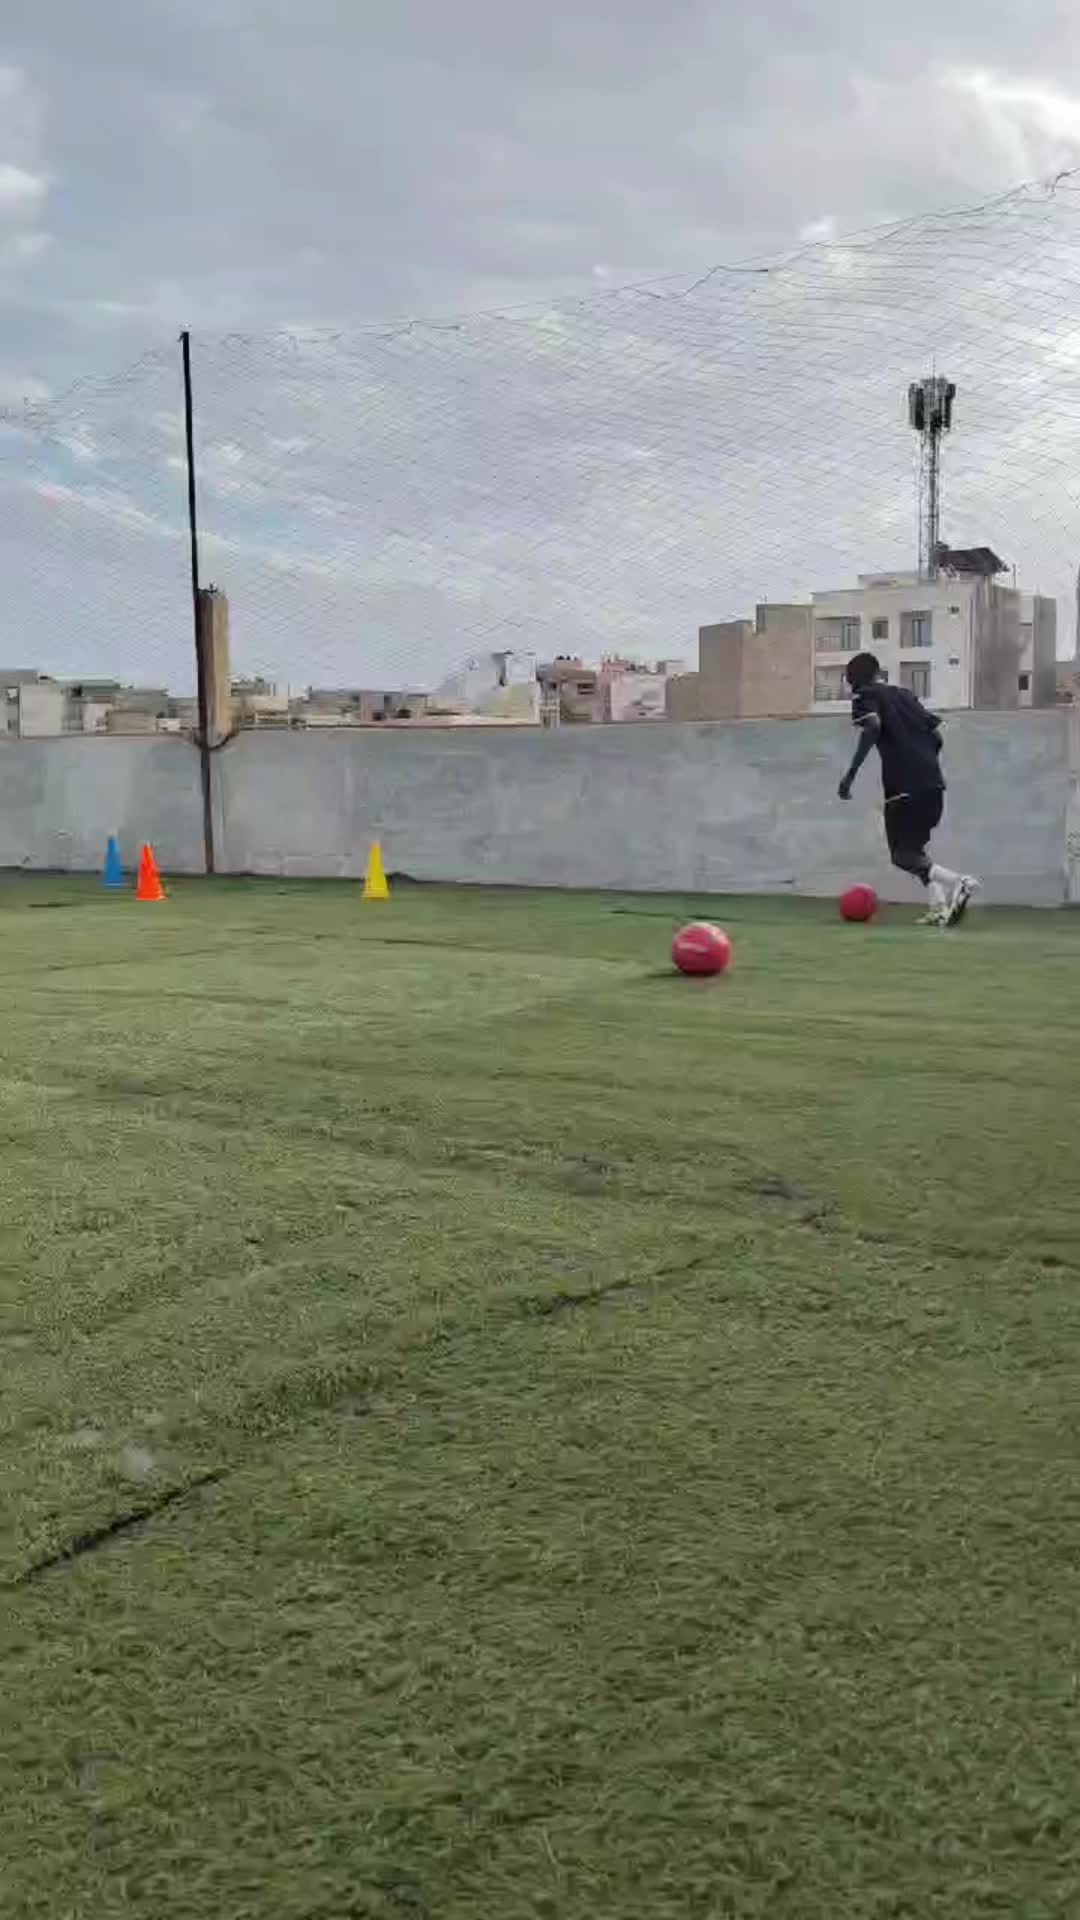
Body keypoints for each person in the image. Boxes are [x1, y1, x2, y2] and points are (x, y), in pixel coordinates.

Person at [837, 652, 979, 926]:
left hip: (903, 785)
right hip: (932, 783)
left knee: (902, 855)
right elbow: (936, 737)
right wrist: (923, 763)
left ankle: (959, 882)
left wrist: (849, 776)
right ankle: (939, 907)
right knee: (915, 851)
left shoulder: (864, 695)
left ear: (854, 680)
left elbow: (873, 726)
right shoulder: (905, 696)